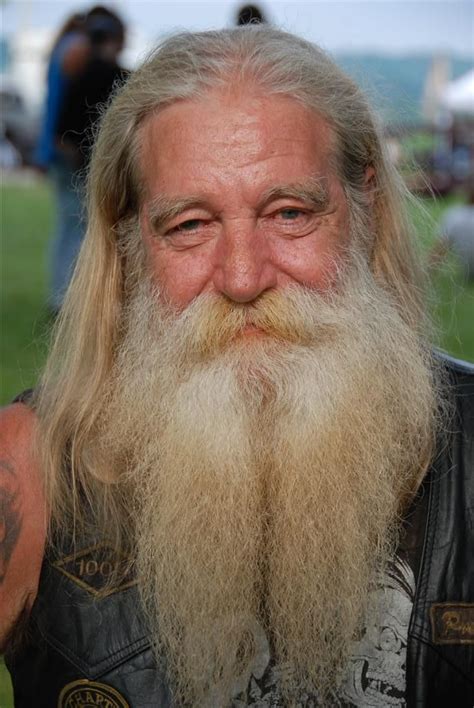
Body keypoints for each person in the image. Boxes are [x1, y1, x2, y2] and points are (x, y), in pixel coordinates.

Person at [1, 27, 473, 708]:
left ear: (364, 205)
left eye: (289, 213)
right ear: (131, 241)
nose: (244, 276)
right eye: (190, 225)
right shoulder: (31, 470)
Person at [34, 5, 126, 313]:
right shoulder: (117, 76)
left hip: (64, 160)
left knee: (66, 229)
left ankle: (59, 297)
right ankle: (71, 299)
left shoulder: (74, 67)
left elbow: (59, 126)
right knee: (82, 231)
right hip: (83, 167)